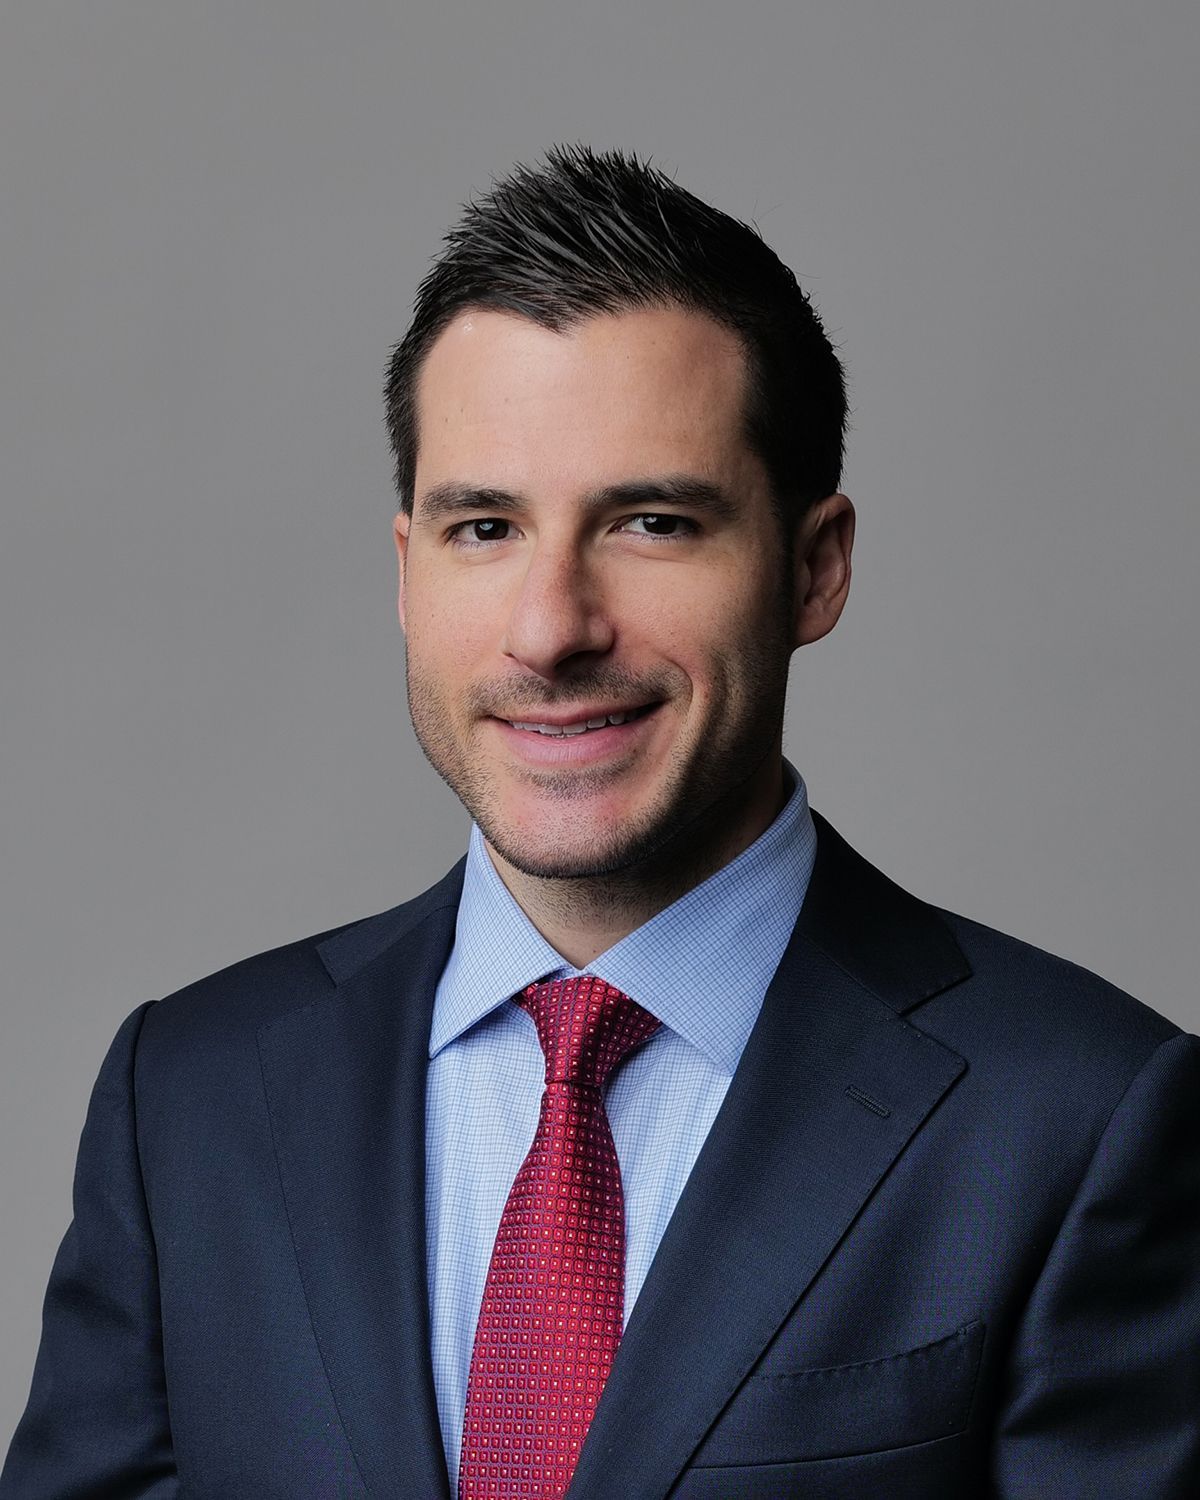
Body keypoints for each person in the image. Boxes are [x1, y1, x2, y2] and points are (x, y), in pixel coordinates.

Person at [3, 145, 1197, 1500]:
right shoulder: (191, 1098)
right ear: (407, 571)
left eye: (650, 521)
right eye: (485, 528)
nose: (551, 627)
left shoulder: (1081, 1118)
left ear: (814, 568)